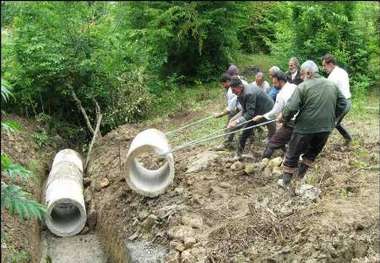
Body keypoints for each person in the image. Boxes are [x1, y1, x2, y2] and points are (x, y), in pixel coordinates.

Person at [277, 60, 347, 189]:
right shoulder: (332, 85)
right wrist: (332, 117)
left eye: (302, 75)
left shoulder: (303, 87)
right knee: (312, 152)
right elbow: (344, 104)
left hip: (305, 127)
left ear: (308, 73)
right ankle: (299, 177)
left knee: (293, 152)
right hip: (326, 128)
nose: (302, 78)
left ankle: (286, 182)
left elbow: (291, 108)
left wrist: (283, 118)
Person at [251, 70, 297, 159]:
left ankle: (263, 162)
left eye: (275, 83)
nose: (274, 85)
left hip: (291, 122)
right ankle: (288, 153)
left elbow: (275, 111)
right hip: (301, 120)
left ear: (281, 81)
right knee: (283, 138)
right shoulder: (294, 86)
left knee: (273, 142)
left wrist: (262, 116)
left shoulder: (281, 94)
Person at [227, 77, 275, 160]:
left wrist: (237, 122)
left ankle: (284, 152)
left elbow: (249, 114)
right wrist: (233, 119)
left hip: (268, 109)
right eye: (232, 90)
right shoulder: (240, 93)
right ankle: (238, 154)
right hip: (255, 111)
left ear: (240, 86)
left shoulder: (249, 93)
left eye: (234, 90)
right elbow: (244, 110)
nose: (233, 92)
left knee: (274, 133)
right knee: (245, 133)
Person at [322, 53, 352, 145]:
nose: (323, 68)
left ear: (330, 64)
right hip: (348, 102)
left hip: (341, 104)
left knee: (329, 125)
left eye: (324, 65)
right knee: (336, 123)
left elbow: (329, 94)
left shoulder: (332, 77)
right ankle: (348, 138)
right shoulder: (342, 71)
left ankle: (316, 147)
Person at [213, 73, 242, 150]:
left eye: (223, 84)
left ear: (228, 81)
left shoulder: (231, 90)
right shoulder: (238, 81)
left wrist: (220, 114)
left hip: (241, 108)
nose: (223, 86)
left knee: (230, 124)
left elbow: (230, 108)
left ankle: (226, 143)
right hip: (241, 107)